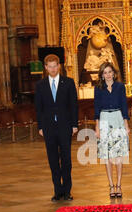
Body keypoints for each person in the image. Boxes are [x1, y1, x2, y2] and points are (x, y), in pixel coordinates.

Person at [34, 54, 79, 202]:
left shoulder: (68, 83)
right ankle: (57, 191)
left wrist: (74, 124)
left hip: (65, 126)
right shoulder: (40, 85)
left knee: (66, 159)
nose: (53, 69)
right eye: (50, 66)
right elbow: (39, 108)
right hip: (48, 127)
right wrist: (40, 126)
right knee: (53, 160)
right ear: (46, 68)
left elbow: (73, 105)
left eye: (55, 66)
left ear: (59, 66)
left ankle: (67, 191)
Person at [94, 62, 130, 198]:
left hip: (118, 118)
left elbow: (124, 106)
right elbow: (96, 107)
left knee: (118, 155)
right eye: (105, 72)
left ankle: (119, 185)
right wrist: (97, 127)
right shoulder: (98, 88)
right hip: (103, 119)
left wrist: (126, 125)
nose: (108, 75)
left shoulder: (120, 87)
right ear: (102, 75)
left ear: (114, 74)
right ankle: (111, 186)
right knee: (107, 156)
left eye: (110, 72)